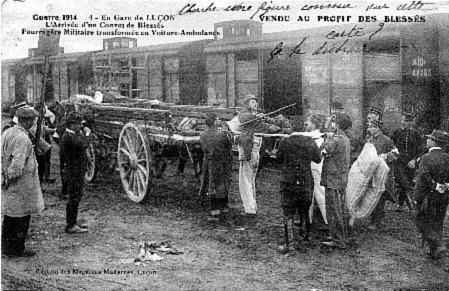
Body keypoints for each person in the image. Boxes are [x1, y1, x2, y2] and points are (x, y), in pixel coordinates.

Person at [1, 107, 45, 257]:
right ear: (27, 121)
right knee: (21, 217)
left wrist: (3, 178)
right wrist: (8, 178)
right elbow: (17, 166)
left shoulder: (8, 132)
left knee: (10, 215)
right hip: (20, 184)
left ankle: (6, 248)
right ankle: (16, 249)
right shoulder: (22, 138)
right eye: (32, 120)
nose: (33, 122)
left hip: (10, 183)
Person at [277, 120, 321, 252]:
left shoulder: (285, 141)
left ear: (291, 127)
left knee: (288, 212)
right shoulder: (310, 141)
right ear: (303, 127)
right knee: (304, 210)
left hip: (288, 180)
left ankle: (289, 243)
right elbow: (318, 159)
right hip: (305, 180)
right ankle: (304, 240)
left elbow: (278, 158)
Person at [414, 129, 449, 260]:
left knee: (421, 220)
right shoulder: (447, 157)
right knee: (438, 221)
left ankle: (438, 245)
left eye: (429, 138)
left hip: (427, 196)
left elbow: (424, 175)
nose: (427, 140)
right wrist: (445, 185)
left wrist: (435, 186)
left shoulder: (426, 158)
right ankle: (434, 252)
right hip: (444, 196)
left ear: (434, 142)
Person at [321, 112, 352, 249]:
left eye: (334, 122)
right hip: (340, 178)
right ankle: (338, 235)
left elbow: (322, 152)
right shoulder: (345, 139)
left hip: (332, 179)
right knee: (339, 209)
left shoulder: (336, 140)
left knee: (333, 210)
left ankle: (338, 240)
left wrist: (327, 137)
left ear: (337, 125)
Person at [366, 120, 400, 230]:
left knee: (380, 197)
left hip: (382, 174)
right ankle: (373, 219)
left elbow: (396, 153)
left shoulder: (386, 140)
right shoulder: (370, 140)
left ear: (377, 128)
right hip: (372, 172)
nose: (369, 129)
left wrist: (385, 156)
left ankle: (377, 221)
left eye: (371, 127)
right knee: (371, 195)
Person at [199, 113, 233, 222]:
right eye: (217, 119)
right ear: (214, 121)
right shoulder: (222, 135)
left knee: (212, 186)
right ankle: (224, 208)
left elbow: (204, 149)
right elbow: (229, 147)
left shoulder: (203, 135)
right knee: (223, 185)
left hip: (210, 164)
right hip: (222, 164)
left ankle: (215, 213)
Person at [61, 112, 91, 234]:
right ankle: (71, 225)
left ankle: (72, 221)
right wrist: (88, 133)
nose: (80, 126)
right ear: (72, 125)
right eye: (79, 124)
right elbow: (85, 143)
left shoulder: (70, 134)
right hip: (75, 171)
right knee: (74, 197)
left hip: (75, 170)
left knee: (75, 197)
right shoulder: (70, 137)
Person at [236, 94, 266, 216]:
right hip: (251, 148)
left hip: (251, 149)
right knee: (249, 179)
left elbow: (265, 125)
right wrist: (256, 115)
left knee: (246, 180)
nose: (255, 104)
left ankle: (250, 209)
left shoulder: (257, 116)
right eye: (252, 102)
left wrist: (261, 117)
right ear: (247, 104)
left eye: (256, 102)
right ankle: (252, 207)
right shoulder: (245, 113)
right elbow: (243, 118)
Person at [391, 113, 422, 211]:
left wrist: (414, 160)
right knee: (403, 182)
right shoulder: (397, 132)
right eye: (402, 120)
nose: (403, 123)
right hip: (399, 162)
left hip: (411, 164)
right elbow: (392, 145)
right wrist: (395, 155)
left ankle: (400, 205)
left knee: (406, 182)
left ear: (411, 122)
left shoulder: (416, 134)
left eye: (406, 121)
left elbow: (421, 150)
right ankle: (410, 203)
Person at [304, 113, 328, 225]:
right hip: (313, 167)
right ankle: (308, 219)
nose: (306, 123)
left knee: (320, 193)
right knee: (310, 194)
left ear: (313, 124)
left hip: (315, 167)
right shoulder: (318, 135)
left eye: (308, 121)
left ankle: (329, 222)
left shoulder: (313, 135)